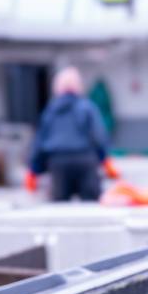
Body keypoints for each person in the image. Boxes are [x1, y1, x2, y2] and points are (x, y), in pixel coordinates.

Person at [26, 67, 118, 201]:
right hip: (85, 161)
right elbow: (99, 136)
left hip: (58, 163)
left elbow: (40, 141)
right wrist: (105, 160)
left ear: (57, 88)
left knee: (59, 208)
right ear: (78, 87)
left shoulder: (50, 111)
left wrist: (33, 170)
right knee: (92, 206)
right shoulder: (88, 107)